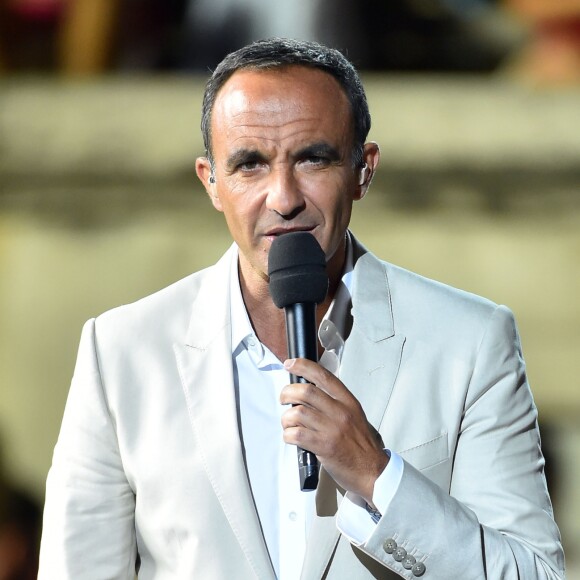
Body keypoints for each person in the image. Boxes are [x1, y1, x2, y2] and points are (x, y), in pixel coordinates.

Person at [38, 38, 565, 579]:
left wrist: (378, 475)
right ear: (211, 182)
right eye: (250, 165)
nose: (283, 197)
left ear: (364, 169)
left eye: (313, 158)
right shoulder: (122, 350)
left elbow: (535, 574)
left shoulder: (470, 342)